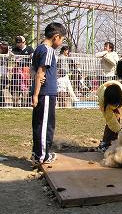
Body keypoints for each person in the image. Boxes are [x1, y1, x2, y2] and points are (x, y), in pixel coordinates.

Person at [30, 22, 66, 165]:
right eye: (62, 39)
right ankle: (42, 157)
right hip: (45, 93)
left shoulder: (38, 49)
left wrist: (35, 92)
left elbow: (33, 70)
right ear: (56, 37)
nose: (61, 42)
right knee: (46, 125)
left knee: (39, 124)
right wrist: (36, 95)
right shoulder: (48, 50)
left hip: (42, 93)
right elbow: (39, 72)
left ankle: (37, 153)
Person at [96, 80, 122, 152]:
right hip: (107, 100)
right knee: (114, 120)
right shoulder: (102, 98)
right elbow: (109, 118)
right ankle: (106, 142)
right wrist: (119, 131)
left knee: (118, 117)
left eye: (116, 105)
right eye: (113, 105)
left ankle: (114, 142)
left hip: (118, 98)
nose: (115, 107)